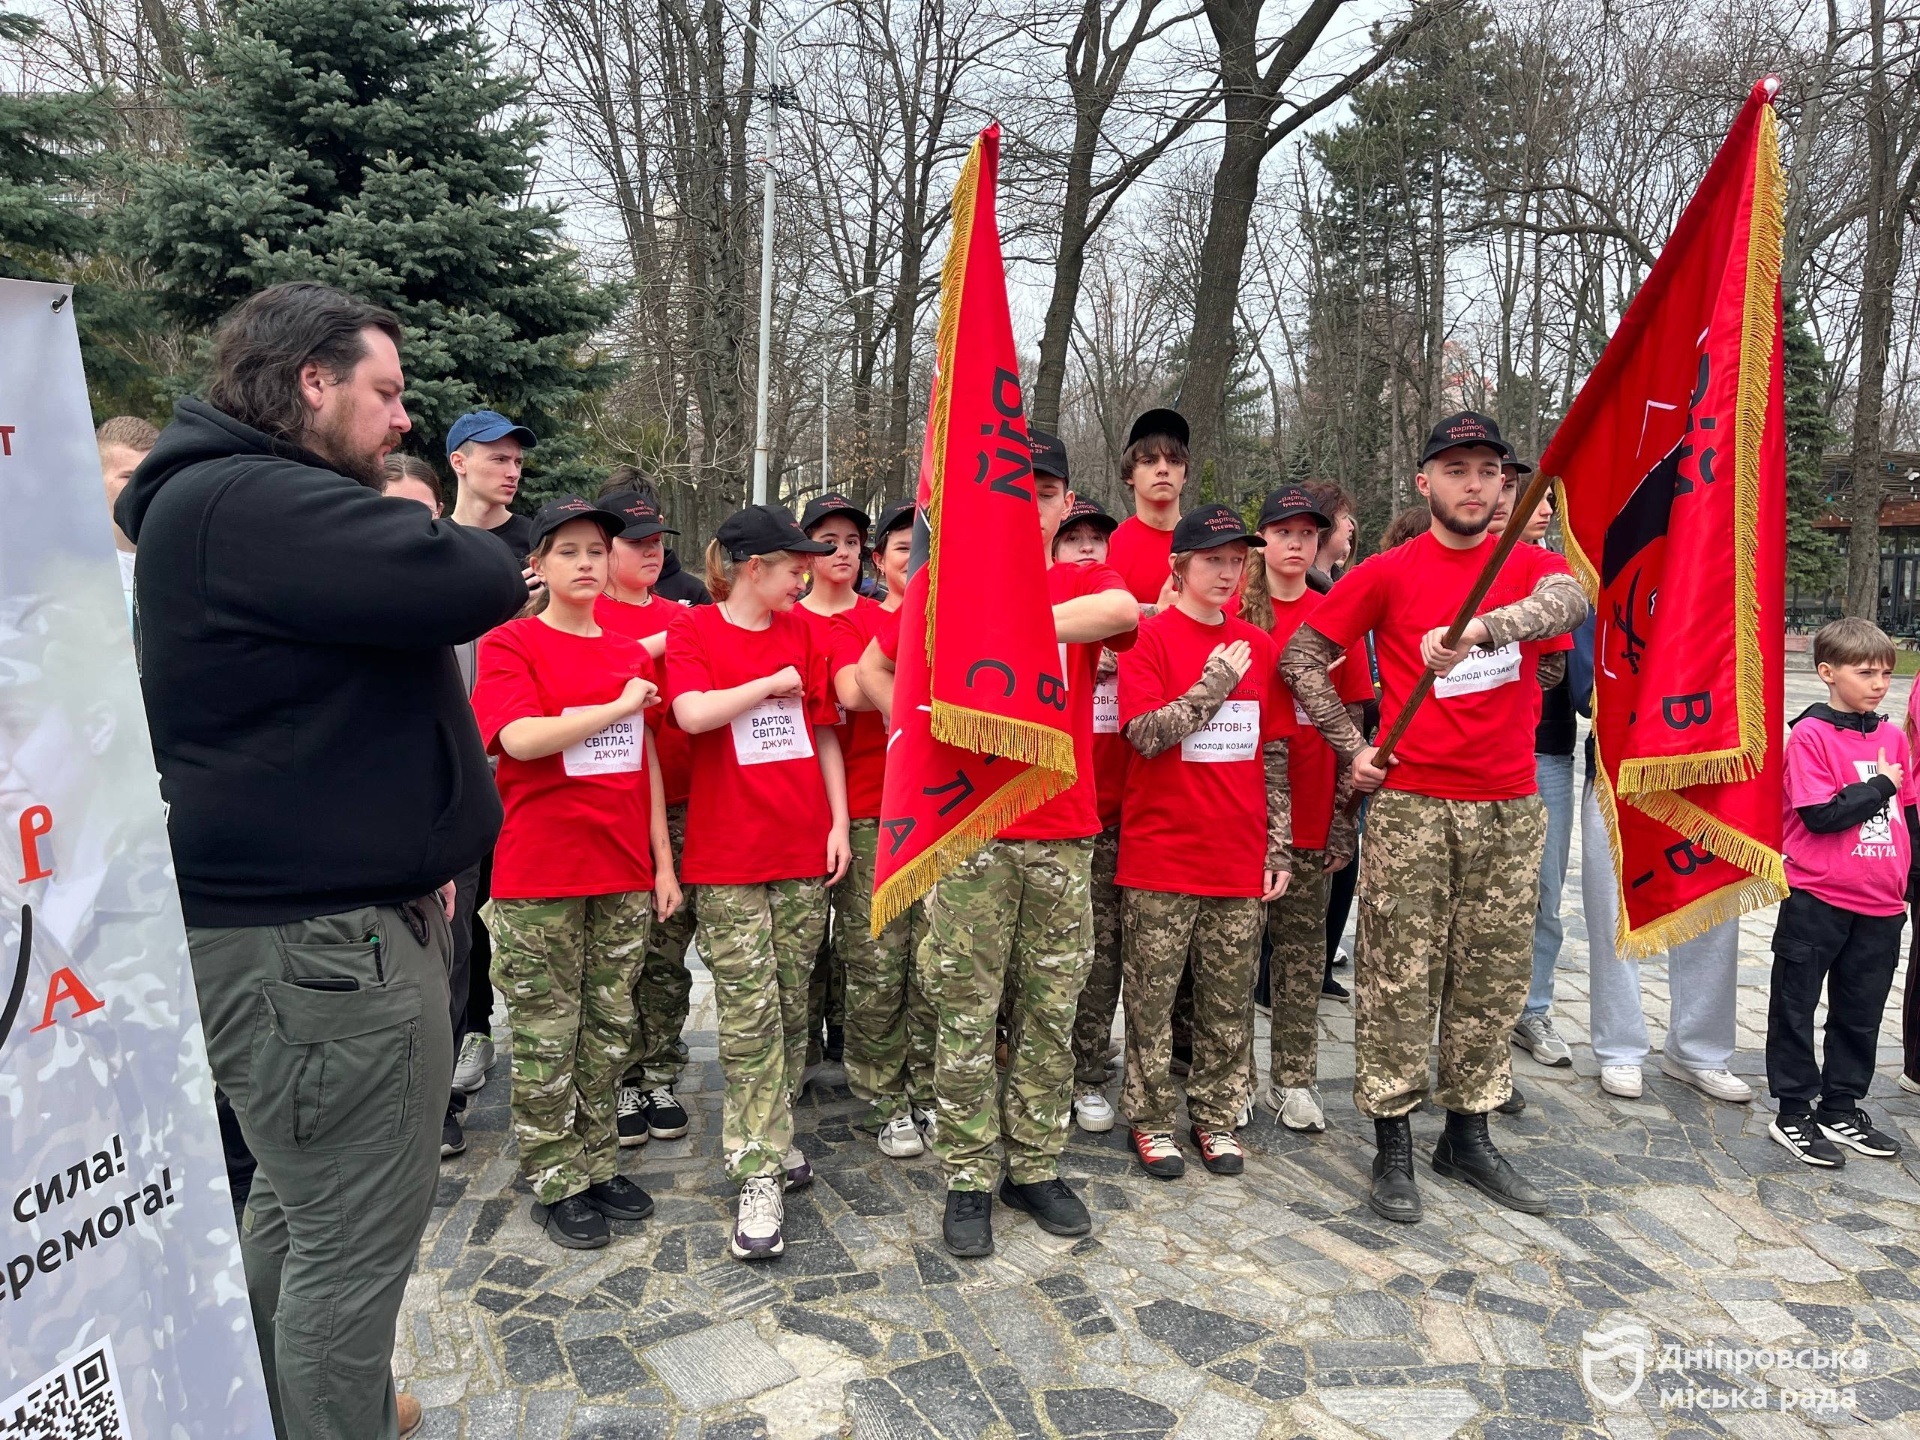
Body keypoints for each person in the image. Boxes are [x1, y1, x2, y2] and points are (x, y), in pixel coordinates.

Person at [115, 281, 526, 1440]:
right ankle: (325, 1412)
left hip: (310, 941)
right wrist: (465, 523)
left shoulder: (228, 502)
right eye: (386, 393)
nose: (402, 420)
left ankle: (284, 1407)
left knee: (303, 1216)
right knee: (350, 1248)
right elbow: (478, 578)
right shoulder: (245, 498)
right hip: (322, 958)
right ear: (312, 382)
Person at [1281, 411, 1587, 1225]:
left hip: (1509, 805)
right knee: (1398, 979)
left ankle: (1469, 1132)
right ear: (1426, 482)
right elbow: (1302, 656)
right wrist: (1353, 744)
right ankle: (1392, 1143)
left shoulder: (1527, 564)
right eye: (1456, 471)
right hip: (1414, 805)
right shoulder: (1387, 571)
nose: (1474, 485)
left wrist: (1488, 626)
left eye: (1488, 471)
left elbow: (1569, 602)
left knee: (1490, 978)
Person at [861, 431, 1138, 1258]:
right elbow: (874, 668)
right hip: (972, 832)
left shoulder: (1086, 576)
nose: (1033, 505)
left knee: (1053, 1011)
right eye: (1017, 490)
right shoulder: (942, 585)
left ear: (1065, 508)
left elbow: (1121, 615)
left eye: (1048, 493)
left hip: (1063, 831)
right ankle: (970, 1175)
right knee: (966, 1014)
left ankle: (1035, 1164)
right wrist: (901, 718)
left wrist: (1005, 624)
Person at [471, 498, 680, 1248]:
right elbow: (521, 740)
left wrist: (662, 860)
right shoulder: (511, 644)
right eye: (568, 551)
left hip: (620, 871)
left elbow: (645, 761)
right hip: (541, 875)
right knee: (547, 1033)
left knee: (608, 1029)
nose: (587, 563)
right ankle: (555, 1175)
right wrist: (617, 703)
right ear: (540, 566)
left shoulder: (627, 652)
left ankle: (595, 1161)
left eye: (596, 549)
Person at [665, 505, 848, 1260]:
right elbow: (691, 713)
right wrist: (765, 683)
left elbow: (826, 729)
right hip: (729, 860)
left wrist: (838, 822)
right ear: (752, 568)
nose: (804, 573)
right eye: (792, 563)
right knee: (746, 1016)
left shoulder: (806, 631)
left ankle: (773, 1133)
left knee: (788, 1002)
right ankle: (756, 1167)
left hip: (802, 848)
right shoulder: (694, 632)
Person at [1115, 505, 1292, 1179]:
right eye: (1212, 559)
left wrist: (1278, 845)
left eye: (1236, 560)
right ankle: (1151, 1119)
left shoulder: (1258, 644)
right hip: (1161, 857)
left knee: (1227, 1004)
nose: (1227, 572)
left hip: (1236, 854)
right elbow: (1145, 733)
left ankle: (1217, 1116)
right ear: (1179, 568)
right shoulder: (1150, 640)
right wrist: (1212, 684)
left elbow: (1272, 751)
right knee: (1154, 1004)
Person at [1572, 615, 1751, 1103]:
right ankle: (1619, 1048)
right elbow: (1583, 684)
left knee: (1712, 911)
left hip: (1707, 767)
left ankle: (1700, 1051)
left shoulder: (1719, 579)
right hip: (1620, 768)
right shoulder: (1610, 578)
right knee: (1613, 912)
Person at [1239, 485, 1366, 1133]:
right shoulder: (1234, 607)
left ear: (1320, 542)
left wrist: (1347, 816)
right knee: (1233, 958)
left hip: (1316, 806)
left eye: (1307, 534)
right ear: (1261, 540)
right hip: (1237, 810)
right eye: (1282, 532)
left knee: (1299, 955)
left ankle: (1294, 1080)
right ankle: (1232, 1077)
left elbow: (1356, 715)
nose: (1295, 544)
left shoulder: (1334, 612)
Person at [1767, 617, 1913, 1167]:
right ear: (1827, 673)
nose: (1879, 684)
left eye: (1885, 673)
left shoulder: (1892, 737)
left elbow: (1906, 813)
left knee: (1860, 1011)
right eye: (1865, 672)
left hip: (1881, 903)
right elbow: (1821, 815)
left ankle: (1842, 1105)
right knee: (1795, 1004)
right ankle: (1794, 1110)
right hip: (1818, 897)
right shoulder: (1809, 736)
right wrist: (1879, 785)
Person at [381, 453, 492, 1160]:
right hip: (367, 820)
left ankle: (440, 1096)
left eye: (424, 515)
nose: (410, 528)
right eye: (392, 511)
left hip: (451, 813)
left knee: (451, 957)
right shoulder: (337, 602)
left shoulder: (464, 604)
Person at [829, 498, 937, 1156]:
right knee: (876, 964)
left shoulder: (953, 623)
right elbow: (848, 689)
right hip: (874, 812)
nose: (915, 563)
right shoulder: (863, 624)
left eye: (924, 553)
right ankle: (881, 1094)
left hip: (939, 811)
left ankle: (925, 1084)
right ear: (882, 561)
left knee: (932, 964)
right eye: (903, 551)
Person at [592, 486, 697, 1147]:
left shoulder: (683, 614)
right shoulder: (588, 616)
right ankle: (619, 1075)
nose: (652, 551)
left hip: (685, 802)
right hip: (613, 807)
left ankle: (657, 1065)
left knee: (667, 949)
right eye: (636, 542)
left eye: (658, 540)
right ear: (604, 553)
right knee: (616, 954)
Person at [1057, 496, 1128, 1135]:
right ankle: (1066, 1074)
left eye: (1096, 539)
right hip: (1062, 811)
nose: (1086, 547)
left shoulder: (1113, 602)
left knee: (1100, 956)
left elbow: (1124, 614)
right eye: (1073, 537)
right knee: (1074, 960)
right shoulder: (1054, 598)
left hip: (1127, 813)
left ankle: (1089, 1069)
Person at [795, 492, 872, 1076]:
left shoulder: (877, 618)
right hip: (796, 799)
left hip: (868, 793)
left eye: (851, 542)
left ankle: (851, 1036)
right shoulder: (784, 620)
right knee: (800, 943)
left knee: (861, 936)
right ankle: (803, 1046)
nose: (842, 552)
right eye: (827, 542)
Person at [1105, 409, 1189, 606]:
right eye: (1149, 461)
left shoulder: (1209, 547)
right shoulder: (1109, 547)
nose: (1163, 469)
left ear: (1185, 475)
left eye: (1174, 461)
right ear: (1129, 474)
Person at [603, 465, 712, 605]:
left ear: (659, 523)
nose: (650, 551)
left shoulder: (694, 594)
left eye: (655, 539)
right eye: (635, 541)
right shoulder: (584, 599)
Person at [448, 409, 538, 564]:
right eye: (500, 459)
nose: (514, 473)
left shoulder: (537, 541)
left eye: (518, 462)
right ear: (459, 463)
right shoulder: (435, 543)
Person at [97, 415, 157, 613]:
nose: (143, 488)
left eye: (152, 476)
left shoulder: (184, 558)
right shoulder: (77, 567)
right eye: (128, 477)